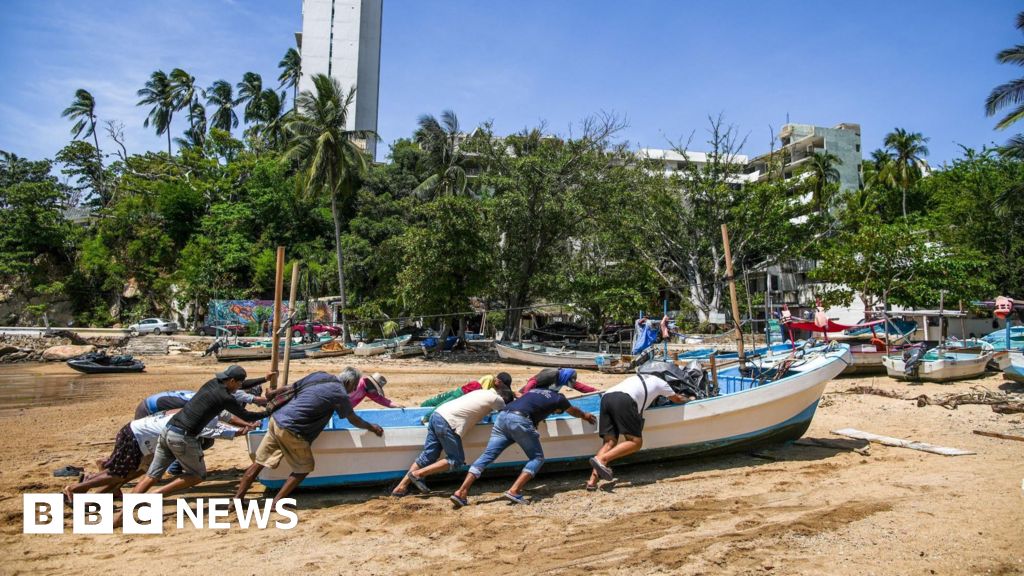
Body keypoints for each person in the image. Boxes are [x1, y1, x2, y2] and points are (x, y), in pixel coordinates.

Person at [234, 367, 384, 506]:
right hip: (293, 429)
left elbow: (291, 387)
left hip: (277, 420)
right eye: (354, 386)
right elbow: (352, 419)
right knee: (303, 468)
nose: (353, 390)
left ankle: (236, 500)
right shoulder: (340, 393)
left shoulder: (320, 375)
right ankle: (276, 503)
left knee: (259, 462)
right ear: (350, 382)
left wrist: (273, 393)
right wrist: (372, 427)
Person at [125, 365, 274, 499]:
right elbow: (246, 415)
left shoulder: (213, 383)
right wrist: (270, 411)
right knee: (197, 476)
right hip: (183, 437)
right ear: (232, 381)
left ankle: (121, 516)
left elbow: (244, 384)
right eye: (239, 383)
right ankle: (155, 496)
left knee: (151, 476)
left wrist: (263, 379)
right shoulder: (225, 398)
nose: (240, 386)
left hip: (168, 430)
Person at [63, 409, 254, 501]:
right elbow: (213, 430)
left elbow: (225, 417)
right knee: (119, 473)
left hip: (146, 437)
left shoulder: (202, 405)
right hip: (137, 436)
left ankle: (104, 493)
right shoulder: (202, 416)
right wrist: (238, 432)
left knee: (140, 472)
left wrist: (245, 424)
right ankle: (75, 487)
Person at [450, 387, 596, 507]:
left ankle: (461, 491)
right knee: (537, 458)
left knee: (487, 456)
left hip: (503, 417)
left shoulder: (535, 391)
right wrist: (585, 416)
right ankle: (514, 490)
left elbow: (532, 407)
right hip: (520, 420)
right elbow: (573, 411)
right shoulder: (560, 399)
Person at [391, 382, 516, 497]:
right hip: (449, 422)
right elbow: (505, 415)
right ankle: (418, 474)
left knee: (428, 456)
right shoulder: (497, 399)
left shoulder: (481, 392)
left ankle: (401, 487)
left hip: (437, 415)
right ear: (504, 399)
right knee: (456, 460)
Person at [586, 371, 690, 490]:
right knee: (635, 442)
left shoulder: (636, 378)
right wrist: (690, 398)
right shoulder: (661, 383)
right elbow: (676, 399)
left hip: (606, 398)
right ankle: (602, 459)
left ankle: (592, 482)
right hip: (624, 400)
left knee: (609, 442)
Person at [419, 373, 513, 409]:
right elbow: (484, 395)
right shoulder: (489, 379)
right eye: (502, 385)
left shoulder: (496, 386)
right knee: (441, 402)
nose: (502, 388)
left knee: (443, 401)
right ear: (498, 381)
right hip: (463, 393)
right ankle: (423, 409)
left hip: (465, 394)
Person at [520, 368, 597, 395]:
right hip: (527, 393)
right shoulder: (552, 374)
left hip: (543, 396)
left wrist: (596, 391)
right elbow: (532, 382)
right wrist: (525, 395)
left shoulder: (564, 379)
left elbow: (580, 387)